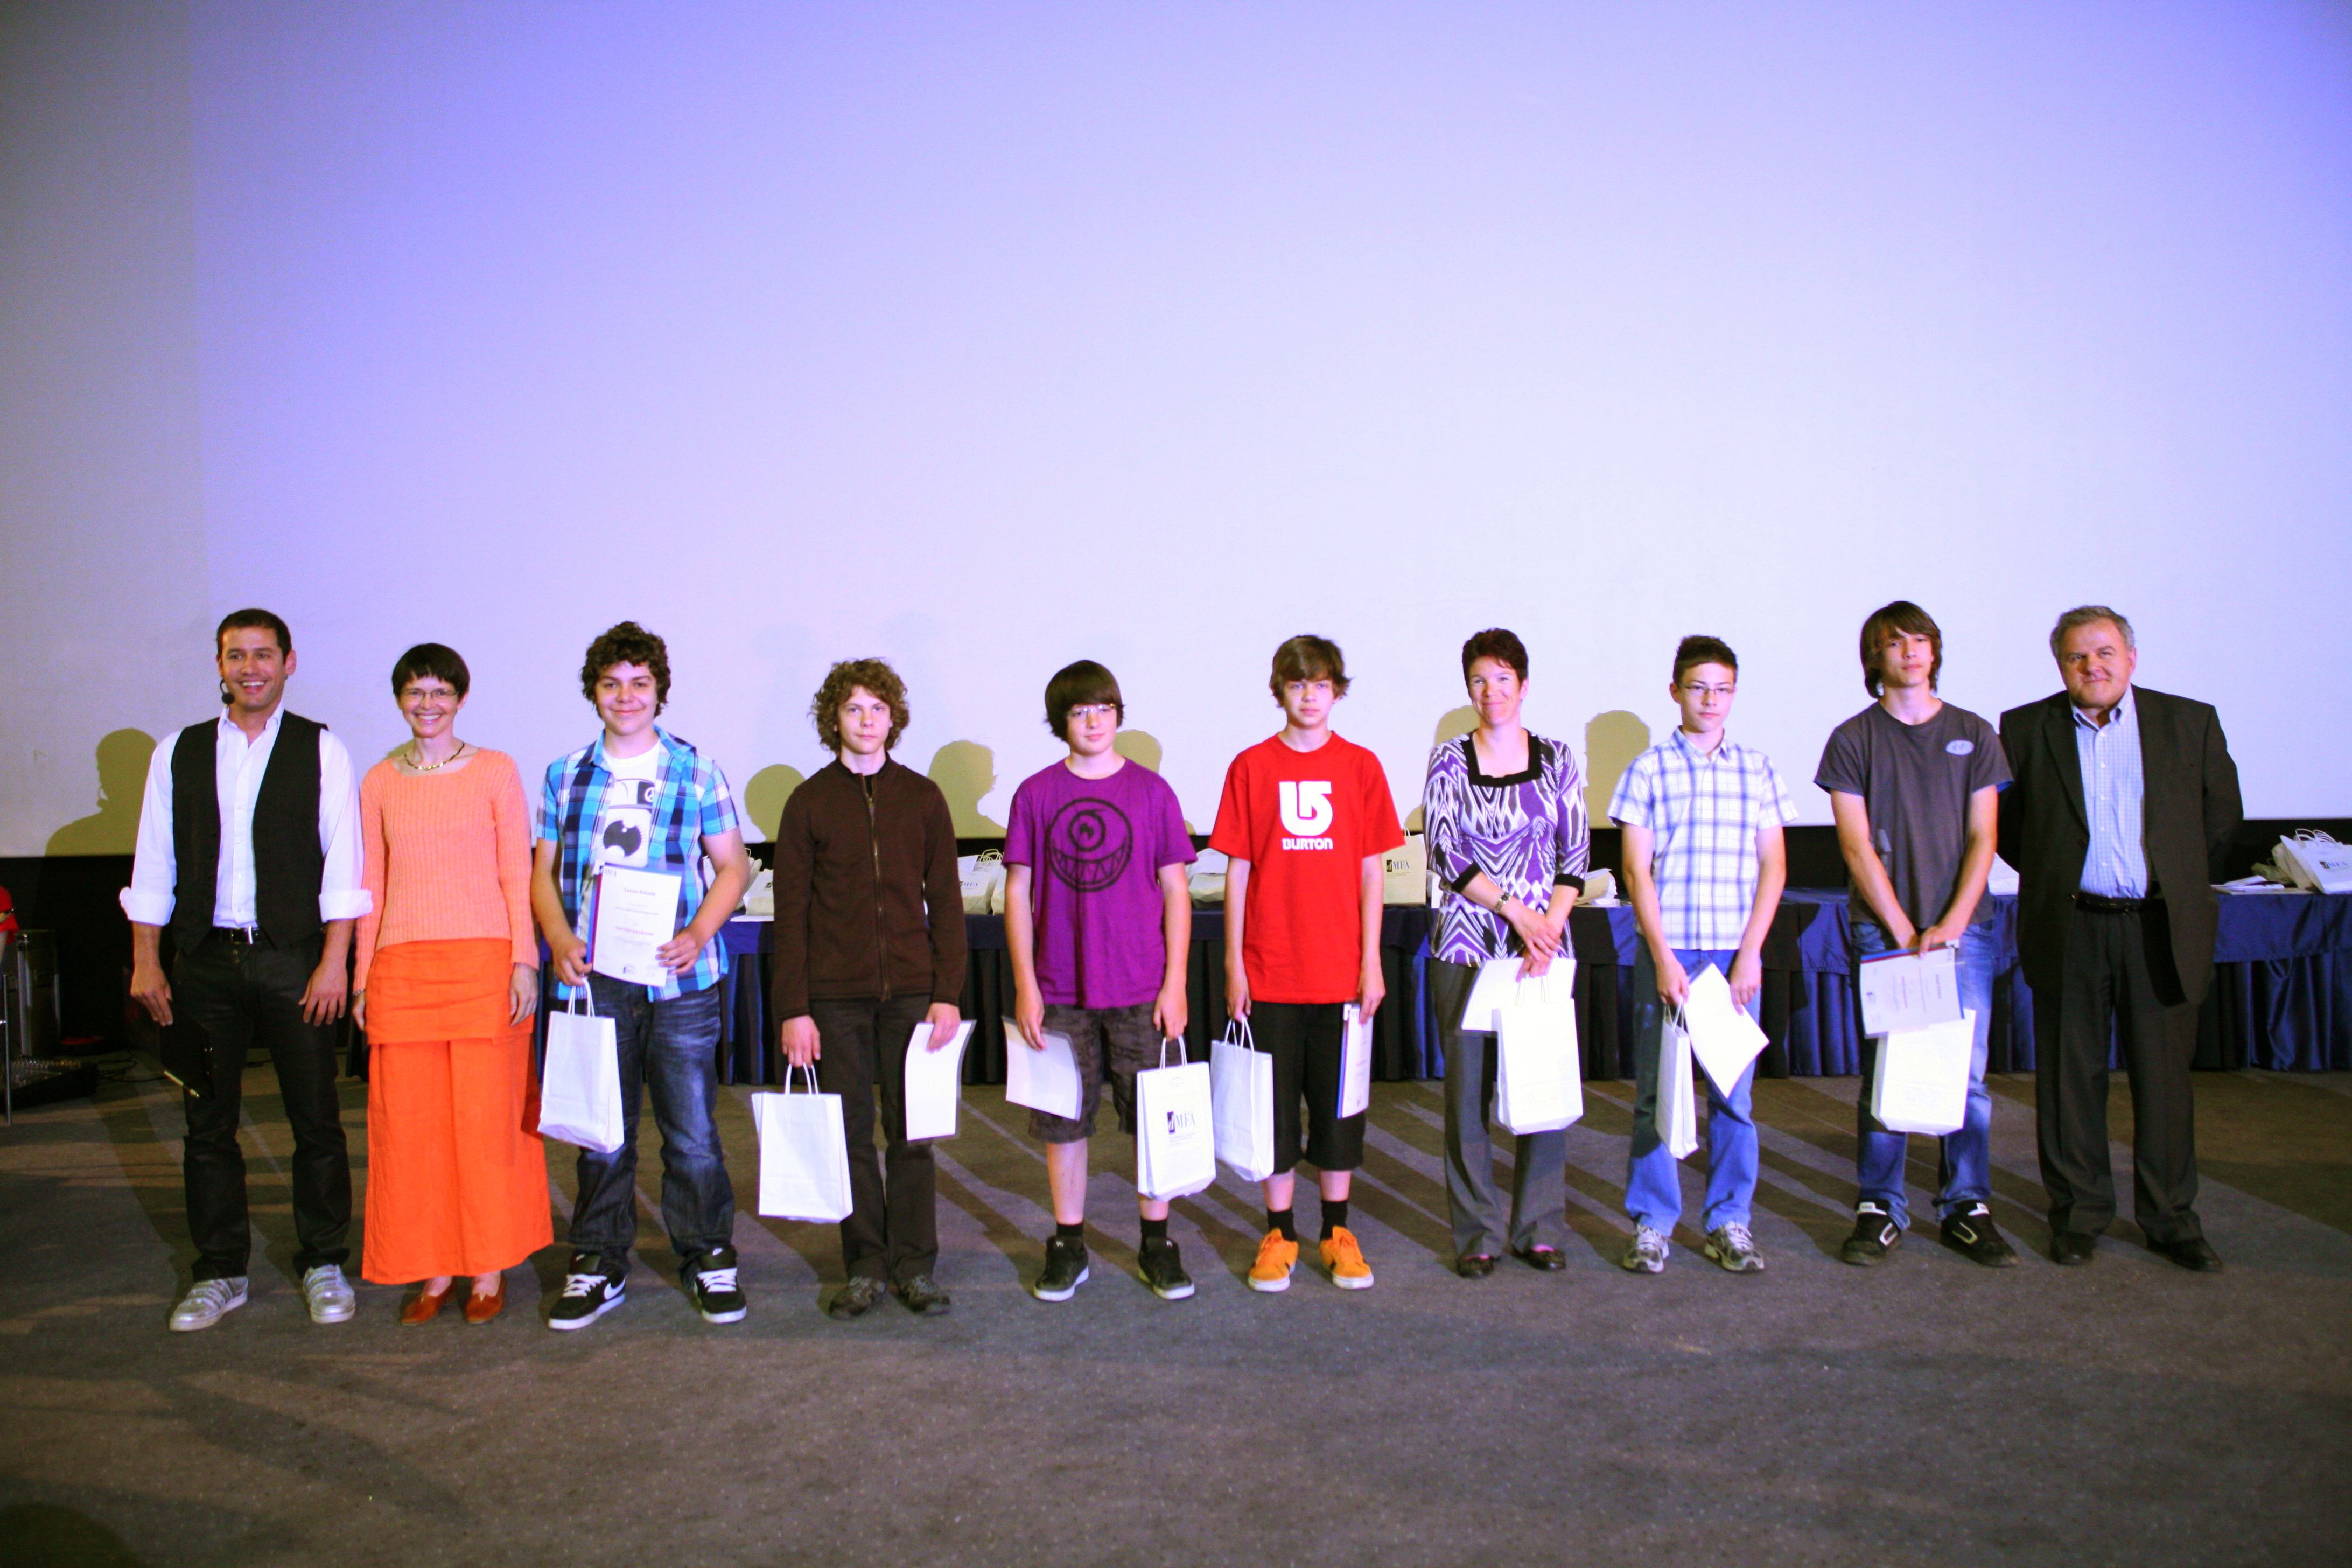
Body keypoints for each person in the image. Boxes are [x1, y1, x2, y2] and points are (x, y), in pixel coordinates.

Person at [122, 609, 370, 1331]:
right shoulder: (178, 751)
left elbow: (344, 863)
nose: (251, 668)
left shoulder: (322, 749)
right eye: (237, 655)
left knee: (316, 1120)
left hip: (294, 960)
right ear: (220, 666)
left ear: (289, 662)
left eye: (264, 654)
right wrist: (147, 959)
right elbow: (154, 861)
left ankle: (324, 1261)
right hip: (203, 963)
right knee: (207, 1125)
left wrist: (334, 963)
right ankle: (220, 1271)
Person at [1999, 607, 2240, 1271]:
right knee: (2069, 1082)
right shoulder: (2025, 728)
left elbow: (2221, 818)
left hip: (2157, 926)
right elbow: (2015, 831)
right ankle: (2079, 1216)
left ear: (2131, 656)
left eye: (2105, 652)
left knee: (2164, 1084)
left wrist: (2174, 878)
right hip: (2070, 925)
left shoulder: (2189, 721)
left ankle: (2171, 1219)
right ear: (2060, 665)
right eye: (2077, 656)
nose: (2093, 666)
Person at [531, 621, 753, 1329]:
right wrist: (558, 937)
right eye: (611, 684)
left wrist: (697, 932)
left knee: (691, 1132)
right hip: (593, 981)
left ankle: (708, 1253)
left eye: (639, 684)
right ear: (594, 692)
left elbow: (734, 866)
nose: (625, 696)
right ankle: (599, 1260)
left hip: (680, 982)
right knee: (602, 1129)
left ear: (659, 692)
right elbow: (541, 872)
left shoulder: (696, 769)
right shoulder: (565, 774)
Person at [351, 644, 550, 1325]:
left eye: (440, 691)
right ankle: (433, 1266)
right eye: (415, 692)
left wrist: (524, 960)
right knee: (413, 1132)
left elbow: (516, 872)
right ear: (399, 700)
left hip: (483, 966)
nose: (428, 704)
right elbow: (371, 885)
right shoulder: (379, 780)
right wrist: (362, 977)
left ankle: (488, 1266)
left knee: (486, 1127)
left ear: (461, 698)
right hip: (402, 970)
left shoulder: (496, 770)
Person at [1815, 601, 2017, 1268]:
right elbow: (1855, 845)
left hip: (1966, 932)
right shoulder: (1853, 738)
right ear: (1874, 657)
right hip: (1885, 934)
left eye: (1920, 639)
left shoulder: (1973, 731)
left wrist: (1951, 923)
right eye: (1894, 642)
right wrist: (1904, 930)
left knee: (1968, 1076)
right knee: (1887, 1072)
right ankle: (1880, 1205)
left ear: (1935, 650)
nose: (1909, 650)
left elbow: (1985, 835)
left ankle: (1967, 1205)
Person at [1210, 634, 1404, 1292]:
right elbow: (1238, 871)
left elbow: (1372, 872)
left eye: (1321, 684)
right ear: (1280, 692)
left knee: (1339, 1110)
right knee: (1272, 1113)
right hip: (1269, 971)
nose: (1310, 696)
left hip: (1341, 972)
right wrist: (1234, 963)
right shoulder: (1251, 766)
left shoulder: (1361, 766)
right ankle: (1280, 1232)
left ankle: (1337, 1231)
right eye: (1297, 684)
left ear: (1337, 691)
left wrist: (1371, 960)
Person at [774, 658, 967, 1319]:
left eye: (877, 708)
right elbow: (791, 915)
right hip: (833, 998)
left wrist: (948, 992)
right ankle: (865, 1264)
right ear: (834, 719)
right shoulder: (808, 802)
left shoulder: (923, 797)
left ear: (894, 718)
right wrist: (794, 1008)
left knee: (913, 1134)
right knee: (850, 1131)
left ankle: (915, 1266)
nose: (866, 719)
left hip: (914, 994)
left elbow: (947, 902)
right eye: (853, 708)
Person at [1004, 661, 1198, 1301]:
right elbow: (1018, 890)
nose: (1093, 721)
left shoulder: (1153, 792)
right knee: (1063, 1123)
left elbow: (1176, 890)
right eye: (1079, 711)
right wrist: (1026, 984)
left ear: (1119, 714)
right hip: (1060, 989)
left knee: (1154, 1121)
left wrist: (1176, 982)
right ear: (1060, 722)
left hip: (1143, 987)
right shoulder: (1035, 793)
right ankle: (1068, 1244)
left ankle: (1157, 1242)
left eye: (1104, 708)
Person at [1610, 636, 1793, 1273]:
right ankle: (1653, 1221)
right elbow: (1636, 870)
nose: (1711, 700)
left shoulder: (1758, 769)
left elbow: (1774, 865)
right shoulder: (1648, 770)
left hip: (1732, 953)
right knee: (1658, 1094)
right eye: (1698, 687)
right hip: (1671, 950)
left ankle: (1728, 1220)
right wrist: (1662, 956)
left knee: (1734, 1098)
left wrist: (1752, 952)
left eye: (1723, 689)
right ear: (1675, 691)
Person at [1419, 628, 1587, 1278]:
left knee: (1542, 1085)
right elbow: (1445, 848)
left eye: (1502, 678)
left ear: (1523, 684)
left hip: (1539, 951)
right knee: (1467, 1097)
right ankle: (1478, 1232)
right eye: (1479, 680)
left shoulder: (1558, 757)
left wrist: (1548, 926)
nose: (1490, 691)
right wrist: (1516, 911)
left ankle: (1539, 1228)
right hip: (1466, 945)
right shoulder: (1448, 758)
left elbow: (1575, 854)